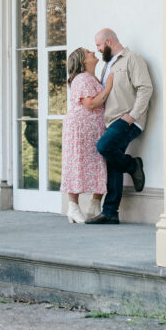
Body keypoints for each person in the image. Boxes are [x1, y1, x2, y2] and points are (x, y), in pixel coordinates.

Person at [83, 28, 153, 225]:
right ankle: (111, 212)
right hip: (111, 120)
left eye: (98, 45)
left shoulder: (133, 59)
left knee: (103, 147)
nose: (97, 50)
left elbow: (145, 88)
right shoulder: (107, 65)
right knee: (112, 163)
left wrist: (132, 116)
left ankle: (132, 165)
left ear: (108, 41)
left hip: (128, 120)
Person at [60, 47, 113, 224]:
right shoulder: (81, 78)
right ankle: (73, 208)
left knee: (98, 162)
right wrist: (109, 88)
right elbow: (90, 104)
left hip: (93, 128)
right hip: (80, 129)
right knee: (77, 163)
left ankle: (94, 204)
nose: (93, 52)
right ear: (83, 60)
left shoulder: (92, 78)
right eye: (88, 52)